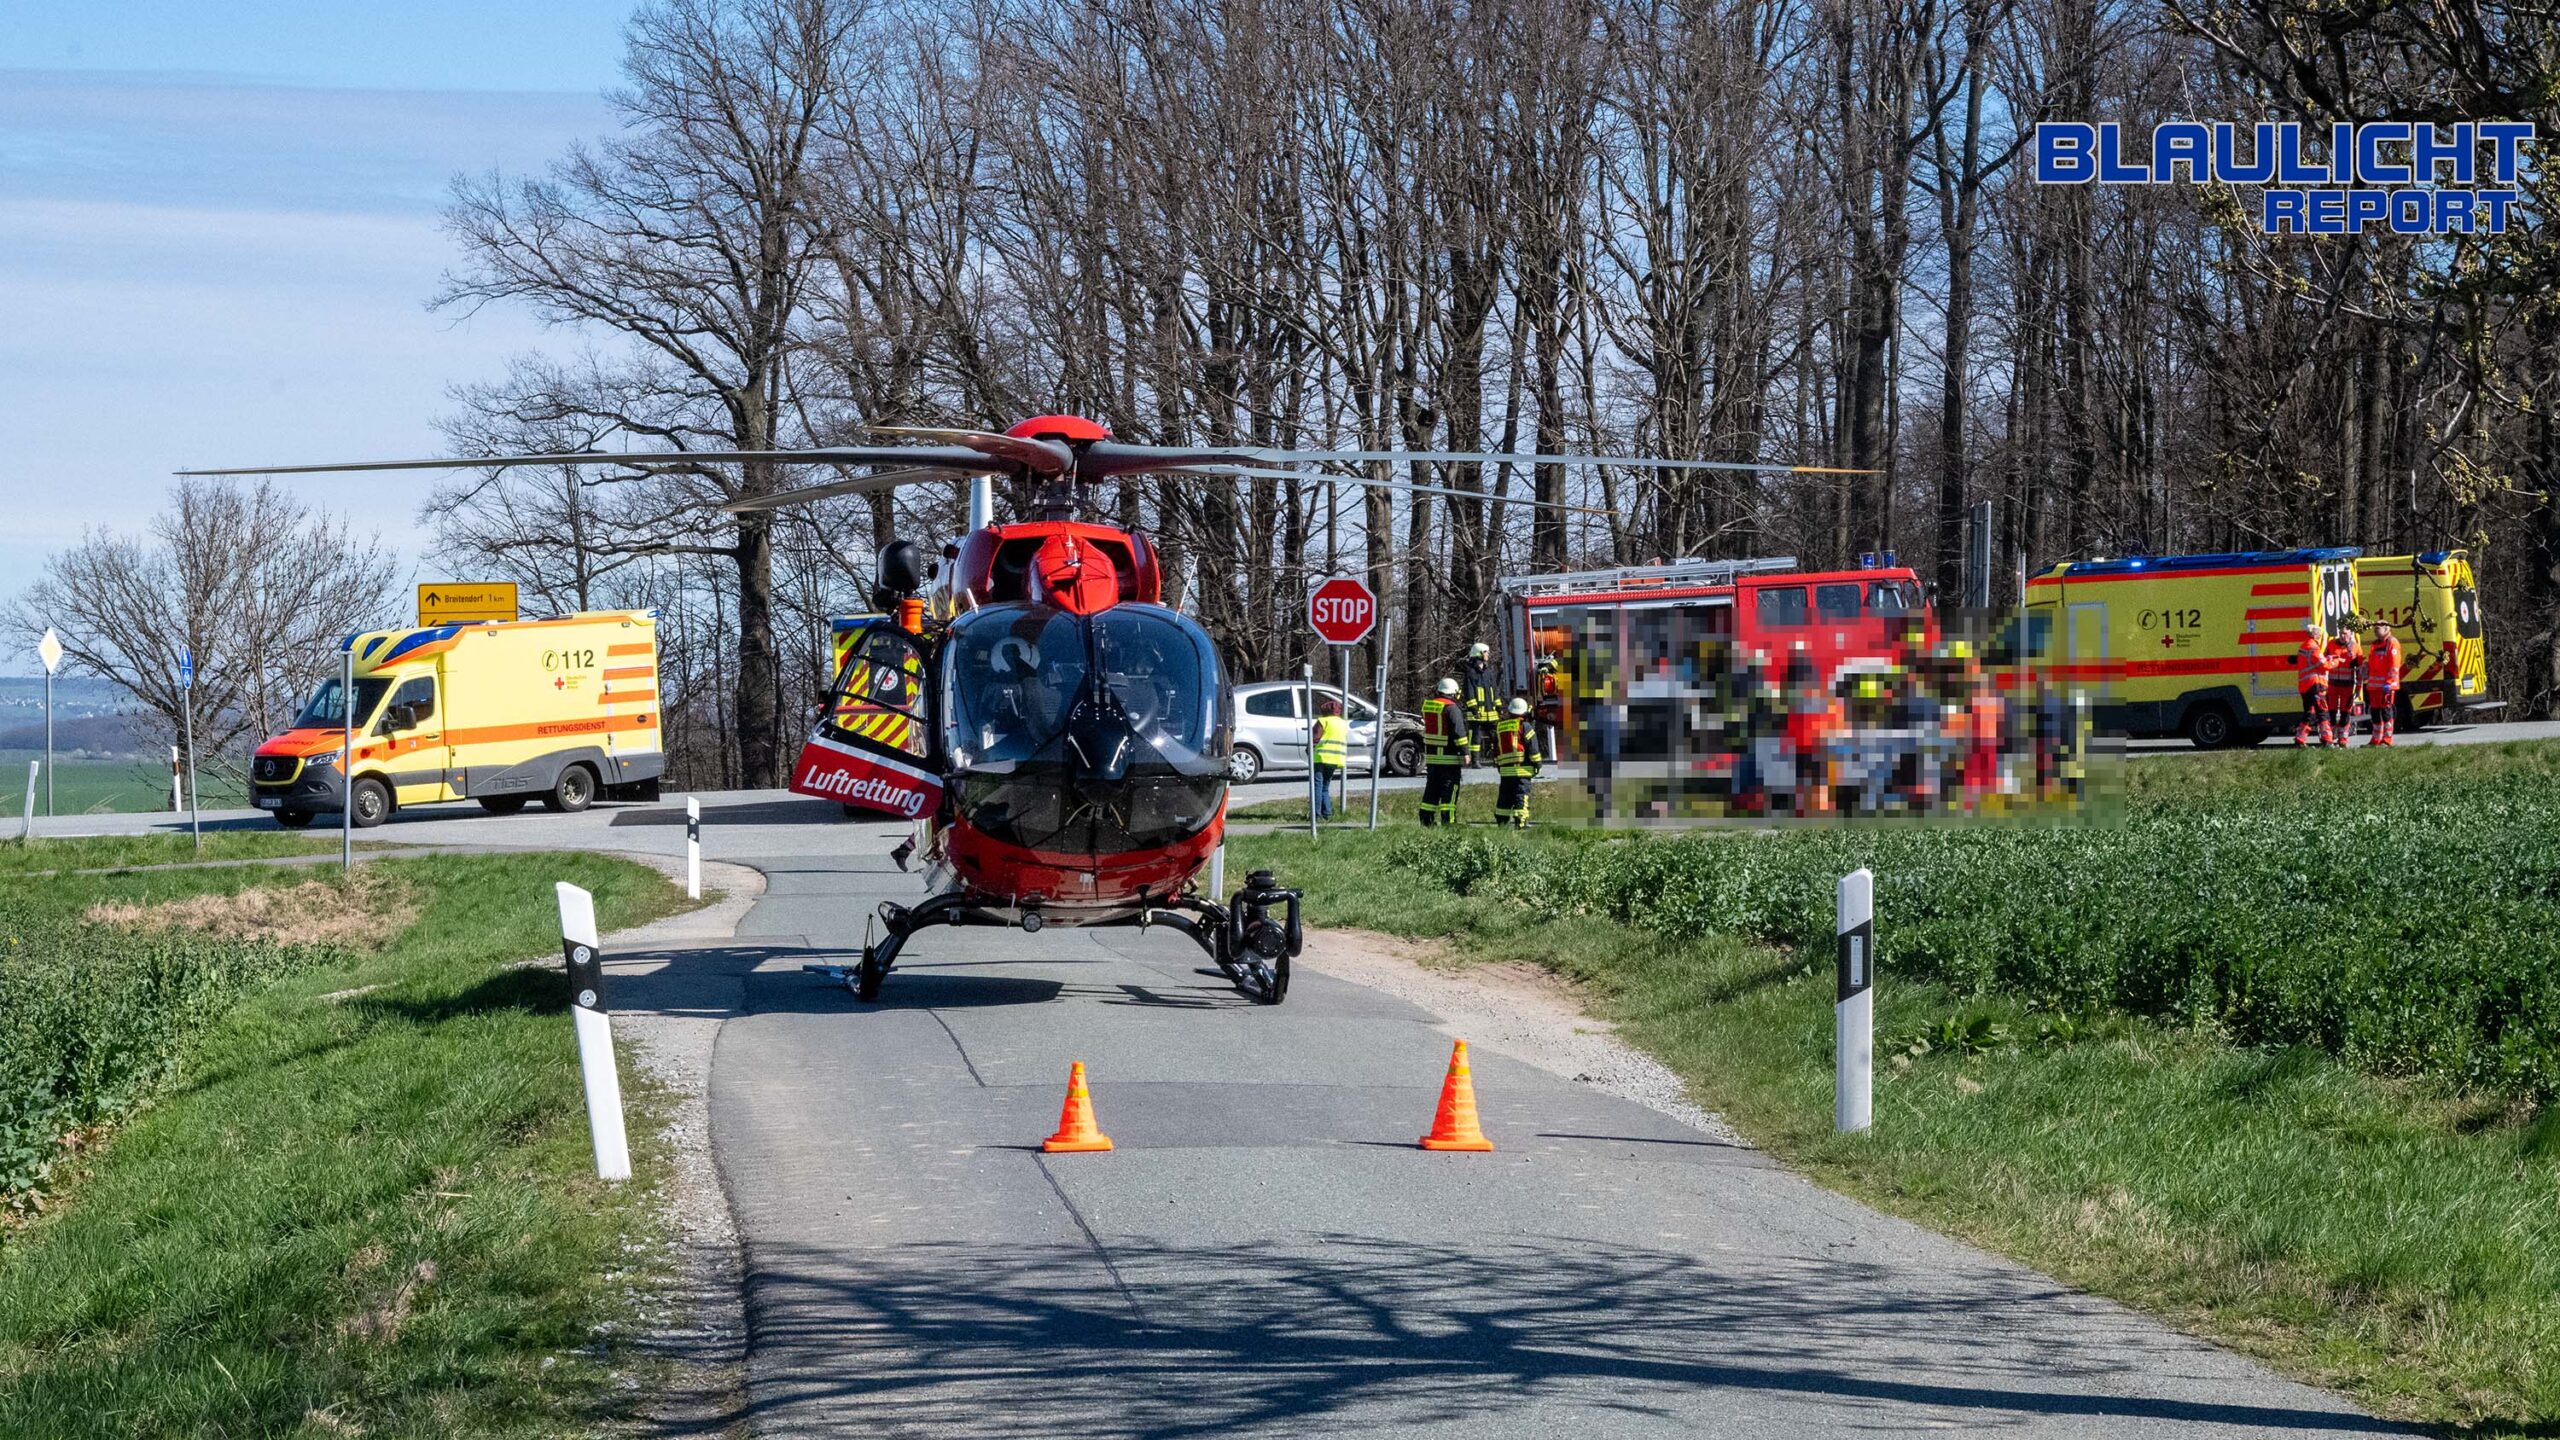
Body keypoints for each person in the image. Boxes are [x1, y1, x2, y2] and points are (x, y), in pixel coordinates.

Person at [1420, 677, 1467, 826]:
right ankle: (1449, 822)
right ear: (1453, 693)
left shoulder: (1429, 706)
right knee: (1449, 791)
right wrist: (1465, 752)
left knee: (1432, 790)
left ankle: (1426, 820)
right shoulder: (1452, 708)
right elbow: (1458, 732)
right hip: (1449, 758)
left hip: (1433, 758)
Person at [1491, 696, 1542, 827]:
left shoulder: (1500, 726)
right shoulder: (1525, 726)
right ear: (1524, 712)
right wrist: (1537, 764)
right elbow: (1533, 748)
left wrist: (1498, 764)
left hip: (1505, 771)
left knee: (1505, 797)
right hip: (1522, 770)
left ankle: (1502, 822)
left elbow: (1496, 748)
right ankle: (1521, 822)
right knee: (1521, 795)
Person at [2363, 623, 2403, 746]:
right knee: (2375, 712)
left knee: (2386, 712)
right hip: (2374, 686)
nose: (2375, 631)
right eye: (2374, 629)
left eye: (2378, 629)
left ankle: (2387, 739)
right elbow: (2372, 662)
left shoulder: (2392, 643)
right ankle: (2376, 739)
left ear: (2387, 629)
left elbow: (2394, 665)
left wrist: (2389, 683)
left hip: (2386, 686)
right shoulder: (2375, 644)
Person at [2293, 624, 2332, 747]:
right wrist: (2334, 661)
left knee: (2309, 713)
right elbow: (2324, 665)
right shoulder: (2314, 647)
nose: (2320, 636)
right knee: (2323, 712)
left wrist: (2327, 658)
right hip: (2315, 685)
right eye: (2319, 633)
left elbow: (2312, 663)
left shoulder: (2303, 646)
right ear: (2314, 634)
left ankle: (2300, 739)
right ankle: (2327, 740)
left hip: (2305, 686)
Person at [1460, 642, 1499, 764]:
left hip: (1491, 712)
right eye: (1486, 652)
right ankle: (1475, 760)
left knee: (1495, 736)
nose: (1488, 654)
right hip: (1476, 713)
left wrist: (1498, 706)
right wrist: (1473, 708)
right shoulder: (1470, 673)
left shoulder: (1488, 672)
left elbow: (1494, 690)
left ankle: (1497, 758)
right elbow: (1469, 693)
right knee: (1475, 737)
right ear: (1479, 654)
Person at [1311, 697, 1348, 820]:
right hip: (1336, 759)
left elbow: (1315, 739)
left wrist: (1309, 749)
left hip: (1321, 757)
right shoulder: (1343, 724)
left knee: (1317, 786)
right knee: (1325, 787)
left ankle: (1316, 815)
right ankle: (1327, 813)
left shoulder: (1323, 721)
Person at [2323, 627, 2360, 747]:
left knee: (2345, 713)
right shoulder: (2331, 644)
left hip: (2347, 685)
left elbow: (2360, 670)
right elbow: (2322, 661)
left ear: (2351, 634)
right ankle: (2331, 736)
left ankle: (2343, 739)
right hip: (2332, 684)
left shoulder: (2355, 647)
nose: (2342, 636)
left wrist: (2359, 688)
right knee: (2331, 713)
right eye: (2341, 633)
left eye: (2345, 633)